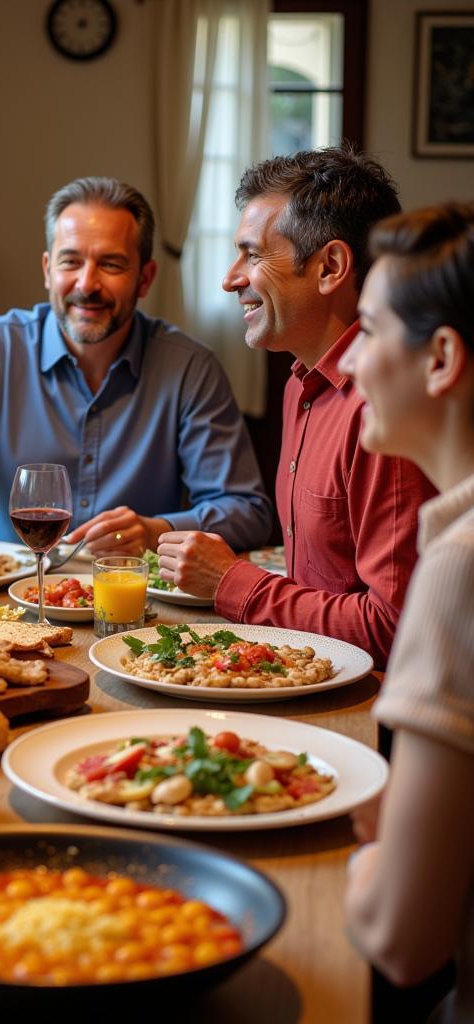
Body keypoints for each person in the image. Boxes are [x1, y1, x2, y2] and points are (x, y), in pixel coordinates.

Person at [0, 176, 272, 562]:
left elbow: (246, 511)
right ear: (48, 271)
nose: (87, 284)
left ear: (145, 278)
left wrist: (156, 531)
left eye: (111, 264)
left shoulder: (190, 369)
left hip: (137, 605)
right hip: (6, 599)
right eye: (71, 262)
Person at [156, 147, 437, 668]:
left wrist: (233, 583)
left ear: (330, 266)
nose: (230, 278)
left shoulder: (384, 408)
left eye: (253, 255)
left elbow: (397, 630)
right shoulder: (300, 385)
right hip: (303, 673)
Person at [341, 202, 474, 1018]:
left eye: (367, 330)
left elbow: (399, 935)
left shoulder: (458, 567)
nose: (351, 363)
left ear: (441, 360)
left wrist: (357, 850)